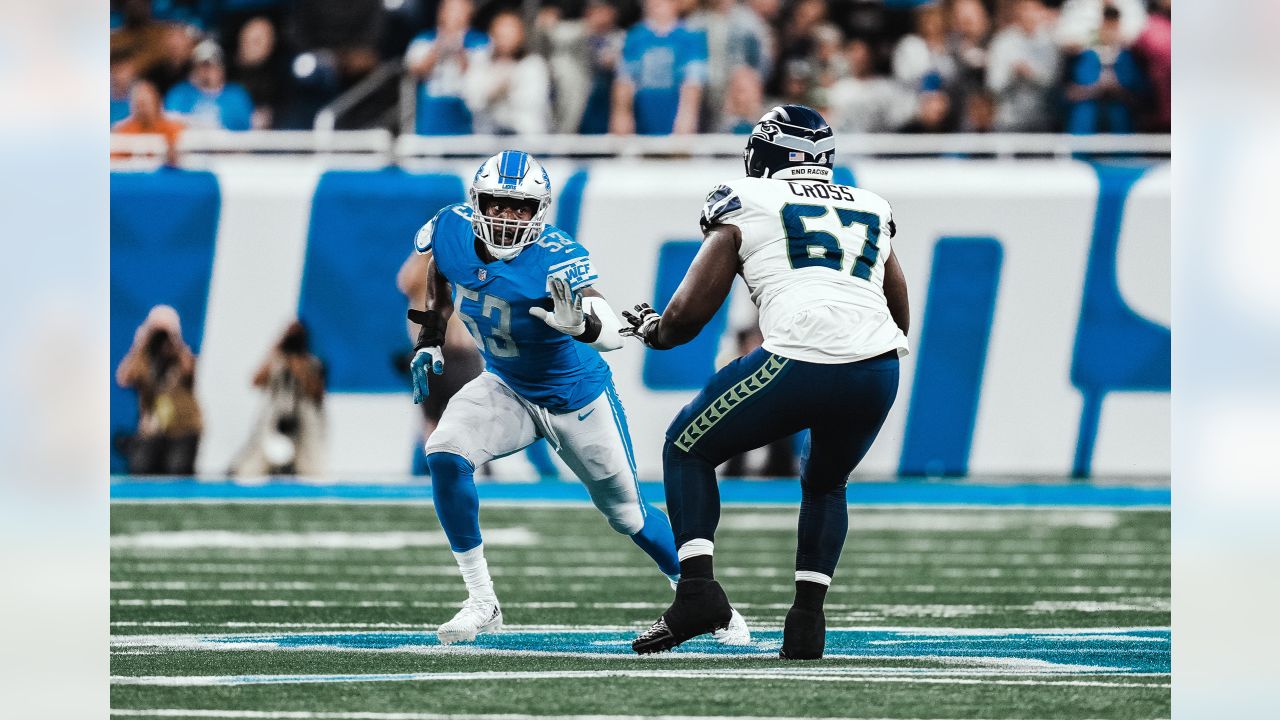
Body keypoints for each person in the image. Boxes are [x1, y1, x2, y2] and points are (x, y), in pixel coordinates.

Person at [407, 150, 749, 645]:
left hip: (576, 397)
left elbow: (610, 331)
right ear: (477, 202)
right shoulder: (450, 229)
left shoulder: (556, 255)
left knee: (628, 515)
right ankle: (482, 601)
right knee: (444, 452)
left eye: (520, 207)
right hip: (506, 385)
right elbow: (441, 269)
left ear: (539, 212)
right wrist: (431, 336)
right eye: (498, 204)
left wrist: (584, 324)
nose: (507, 216)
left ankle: (707, 600)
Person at [624, 105, 909, 659]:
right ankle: (806, 623)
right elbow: (899, 310)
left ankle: (698, 592)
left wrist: (656, 331)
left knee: (686, 446)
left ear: (771, 152)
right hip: (879, 365)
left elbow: (686, 318)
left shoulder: (746, 198)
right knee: (826, 483)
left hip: (801, 354)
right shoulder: (873, 206)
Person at [115, 306, 205, 475]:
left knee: (178, 470)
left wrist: (176, 342)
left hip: (183, 429)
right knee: (141, 468)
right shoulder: (144, 361)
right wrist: (140, 344)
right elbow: (123, 379)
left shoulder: (182, 358)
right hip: (152, 431)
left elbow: (191, 371)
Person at [231, 321, 327, 477]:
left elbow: (317, 394)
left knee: (309, 460)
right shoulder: (276, 361)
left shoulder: (313, 363)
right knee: (259, 456)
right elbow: (256, 381)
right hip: (275, 414)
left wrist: (299, 368)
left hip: (303, 416)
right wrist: (275, 351)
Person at [610, 0, 708, 135]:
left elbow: (692, 82)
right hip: (643, 114)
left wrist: (687, 116)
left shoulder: (690, 36)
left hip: (674, 111)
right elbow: (624, 81)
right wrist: (622, 115)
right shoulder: (635, 36)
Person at [405, 0, 489, 135]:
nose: (455, 14)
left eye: (460, 9)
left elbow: (478, 74)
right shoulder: (424, 39)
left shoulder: (480, 41)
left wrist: (458, 49)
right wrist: (439, 46)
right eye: (451, 9)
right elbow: (416, 70)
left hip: (465, 113)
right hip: (431, 113)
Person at [463, 11, 552, 135]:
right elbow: (472, 101)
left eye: (510, 33)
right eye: (500, 33)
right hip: (487, 141)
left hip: (525, 139)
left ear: (521, 35)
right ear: (491, 34)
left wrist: (508, 86)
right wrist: (494, 91)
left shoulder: (534, 65)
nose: (505, 38)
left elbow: (533, 103)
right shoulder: (480, 60)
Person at [985, 0, 1060, 132]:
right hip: (1008, 122)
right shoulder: (1002, 42)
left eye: (1034, 9)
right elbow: (993, 84)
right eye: (1025, 9)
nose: (1029, 15)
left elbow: (1054, 81)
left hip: (1043, 120)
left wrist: (1030, 74)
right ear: (1017, 12)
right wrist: (1012, 75)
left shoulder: (1050, 42)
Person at [164, 40, 255, 131]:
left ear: (222, 68)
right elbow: (170, 122)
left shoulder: (236, 95)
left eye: (212, 66)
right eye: (202, 66)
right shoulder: (179, 94)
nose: (207, 71)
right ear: (193, 68)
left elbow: (245, 127)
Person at [112, 79, 186, 165]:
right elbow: (115, 160)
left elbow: (180, 155)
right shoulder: (122, 130)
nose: (141, 109)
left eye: (144, 103)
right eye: (138, 104)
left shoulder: (172, 127)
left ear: (156, 102)